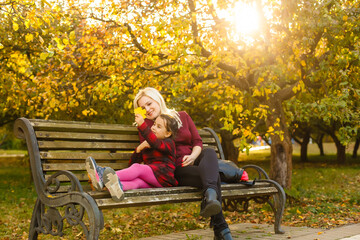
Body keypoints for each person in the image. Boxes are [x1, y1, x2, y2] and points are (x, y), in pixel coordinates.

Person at [133, 87, 233, 240]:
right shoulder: (147, 128)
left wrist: (193, 156)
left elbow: (197, 141)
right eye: (142, 107)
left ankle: (212, 200)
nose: (147, 109)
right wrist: (146, 129)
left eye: (149, 103)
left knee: (209, 152)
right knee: (212, 178)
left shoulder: (182, 116)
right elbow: (150, 152)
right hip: (176, 169)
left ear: (157, 100)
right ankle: (220, 225)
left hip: (196, 161)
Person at [85, 113, 179, 202]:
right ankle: (117, 188)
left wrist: (142, 124)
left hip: (164, 178)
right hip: (155, 182)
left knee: (139, 168)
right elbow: (131, 165)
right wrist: (139, 149)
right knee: (137, 182)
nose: (153, 128)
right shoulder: (147, 145)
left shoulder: (168, 143)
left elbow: (155, 143)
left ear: (168, 134)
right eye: (154, 124)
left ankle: (101, 175)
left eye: (159, 127)